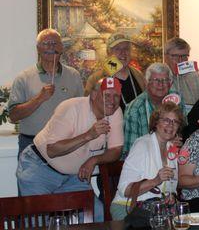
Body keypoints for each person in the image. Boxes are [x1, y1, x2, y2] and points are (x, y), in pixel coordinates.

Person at [17, 77, 123, 222]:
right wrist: (88, 135)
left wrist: (94, 159)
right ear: (93, 95)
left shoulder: (115, 113)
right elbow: (52, 150)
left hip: (74, 177)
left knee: (98, 215)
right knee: (40, 223)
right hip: (40, 169)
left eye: (116, 95)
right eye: (107, 95)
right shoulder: (70, 107)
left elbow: (116, 150)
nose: (112, 100)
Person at [8, 29, 84, 158]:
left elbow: (81, 111)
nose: (50, 47)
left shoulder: (74, 76)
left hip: (66, 144)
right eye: (46, 43)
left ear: (61, 48)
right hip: (31, 144)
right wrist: (39, 98)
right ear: (38, 48)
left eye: (55, 43)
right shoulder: (24, 77)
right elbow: (13, 116)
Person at [110, 102, 184, 220]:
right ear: (156, 122)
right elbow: (125, 189)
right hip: (128, 207)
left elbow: (171, 188)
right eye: (166, 120)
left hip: (155, 210)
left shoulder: (172, 150)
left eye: (175, 122)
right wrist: (155, 181)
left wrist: (171, 197)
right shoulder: (142, 145)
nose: (171, 125)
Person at [123, 63, 185, 155]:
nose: (161, 84)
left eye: (165, 80)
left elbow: (183, 130)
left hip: (174, 157)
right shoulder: (135, 109)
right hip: (145, 161)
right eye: (156, 80)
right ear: (146, 82)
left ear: (171, 83)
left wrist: (179, 141)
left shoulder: (177, 99)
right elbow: (131, 152)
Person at [86, 32, 146, 111]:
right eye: (117, 49)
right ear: (109, 53)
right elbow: (88, 108)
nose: (123, 52)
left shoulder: (138, 75)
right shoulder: (96, 79)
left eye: (126, 49)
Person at [164, 37, 199, 113]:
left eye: (184, 56)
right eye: (175, 56)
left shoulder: (194, 76)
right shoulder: (160, 76)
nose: (180, 61)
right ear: (166, 57)